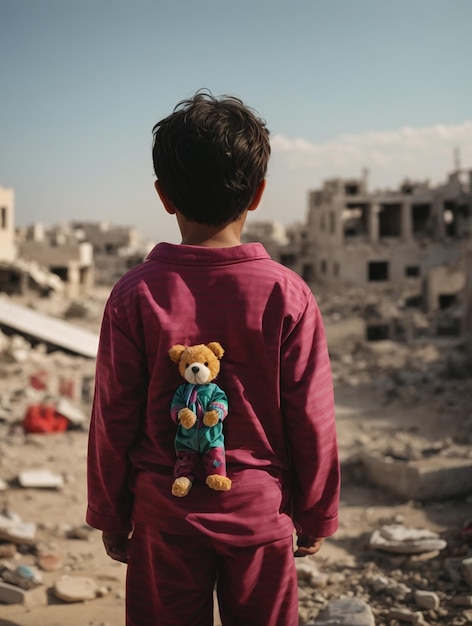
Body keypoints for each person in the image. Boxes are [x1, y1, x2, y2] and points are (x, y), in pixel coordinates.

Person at [86, 90, 340, 626]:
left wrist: (110, 511)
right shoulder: (287, 295)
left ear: (163, 196)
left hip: (163, 514)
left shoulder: (134, 295)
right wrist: (317, 510)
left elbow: (113, 416)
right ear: (259, 194)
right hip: (259, 515)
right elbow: (311, 419)